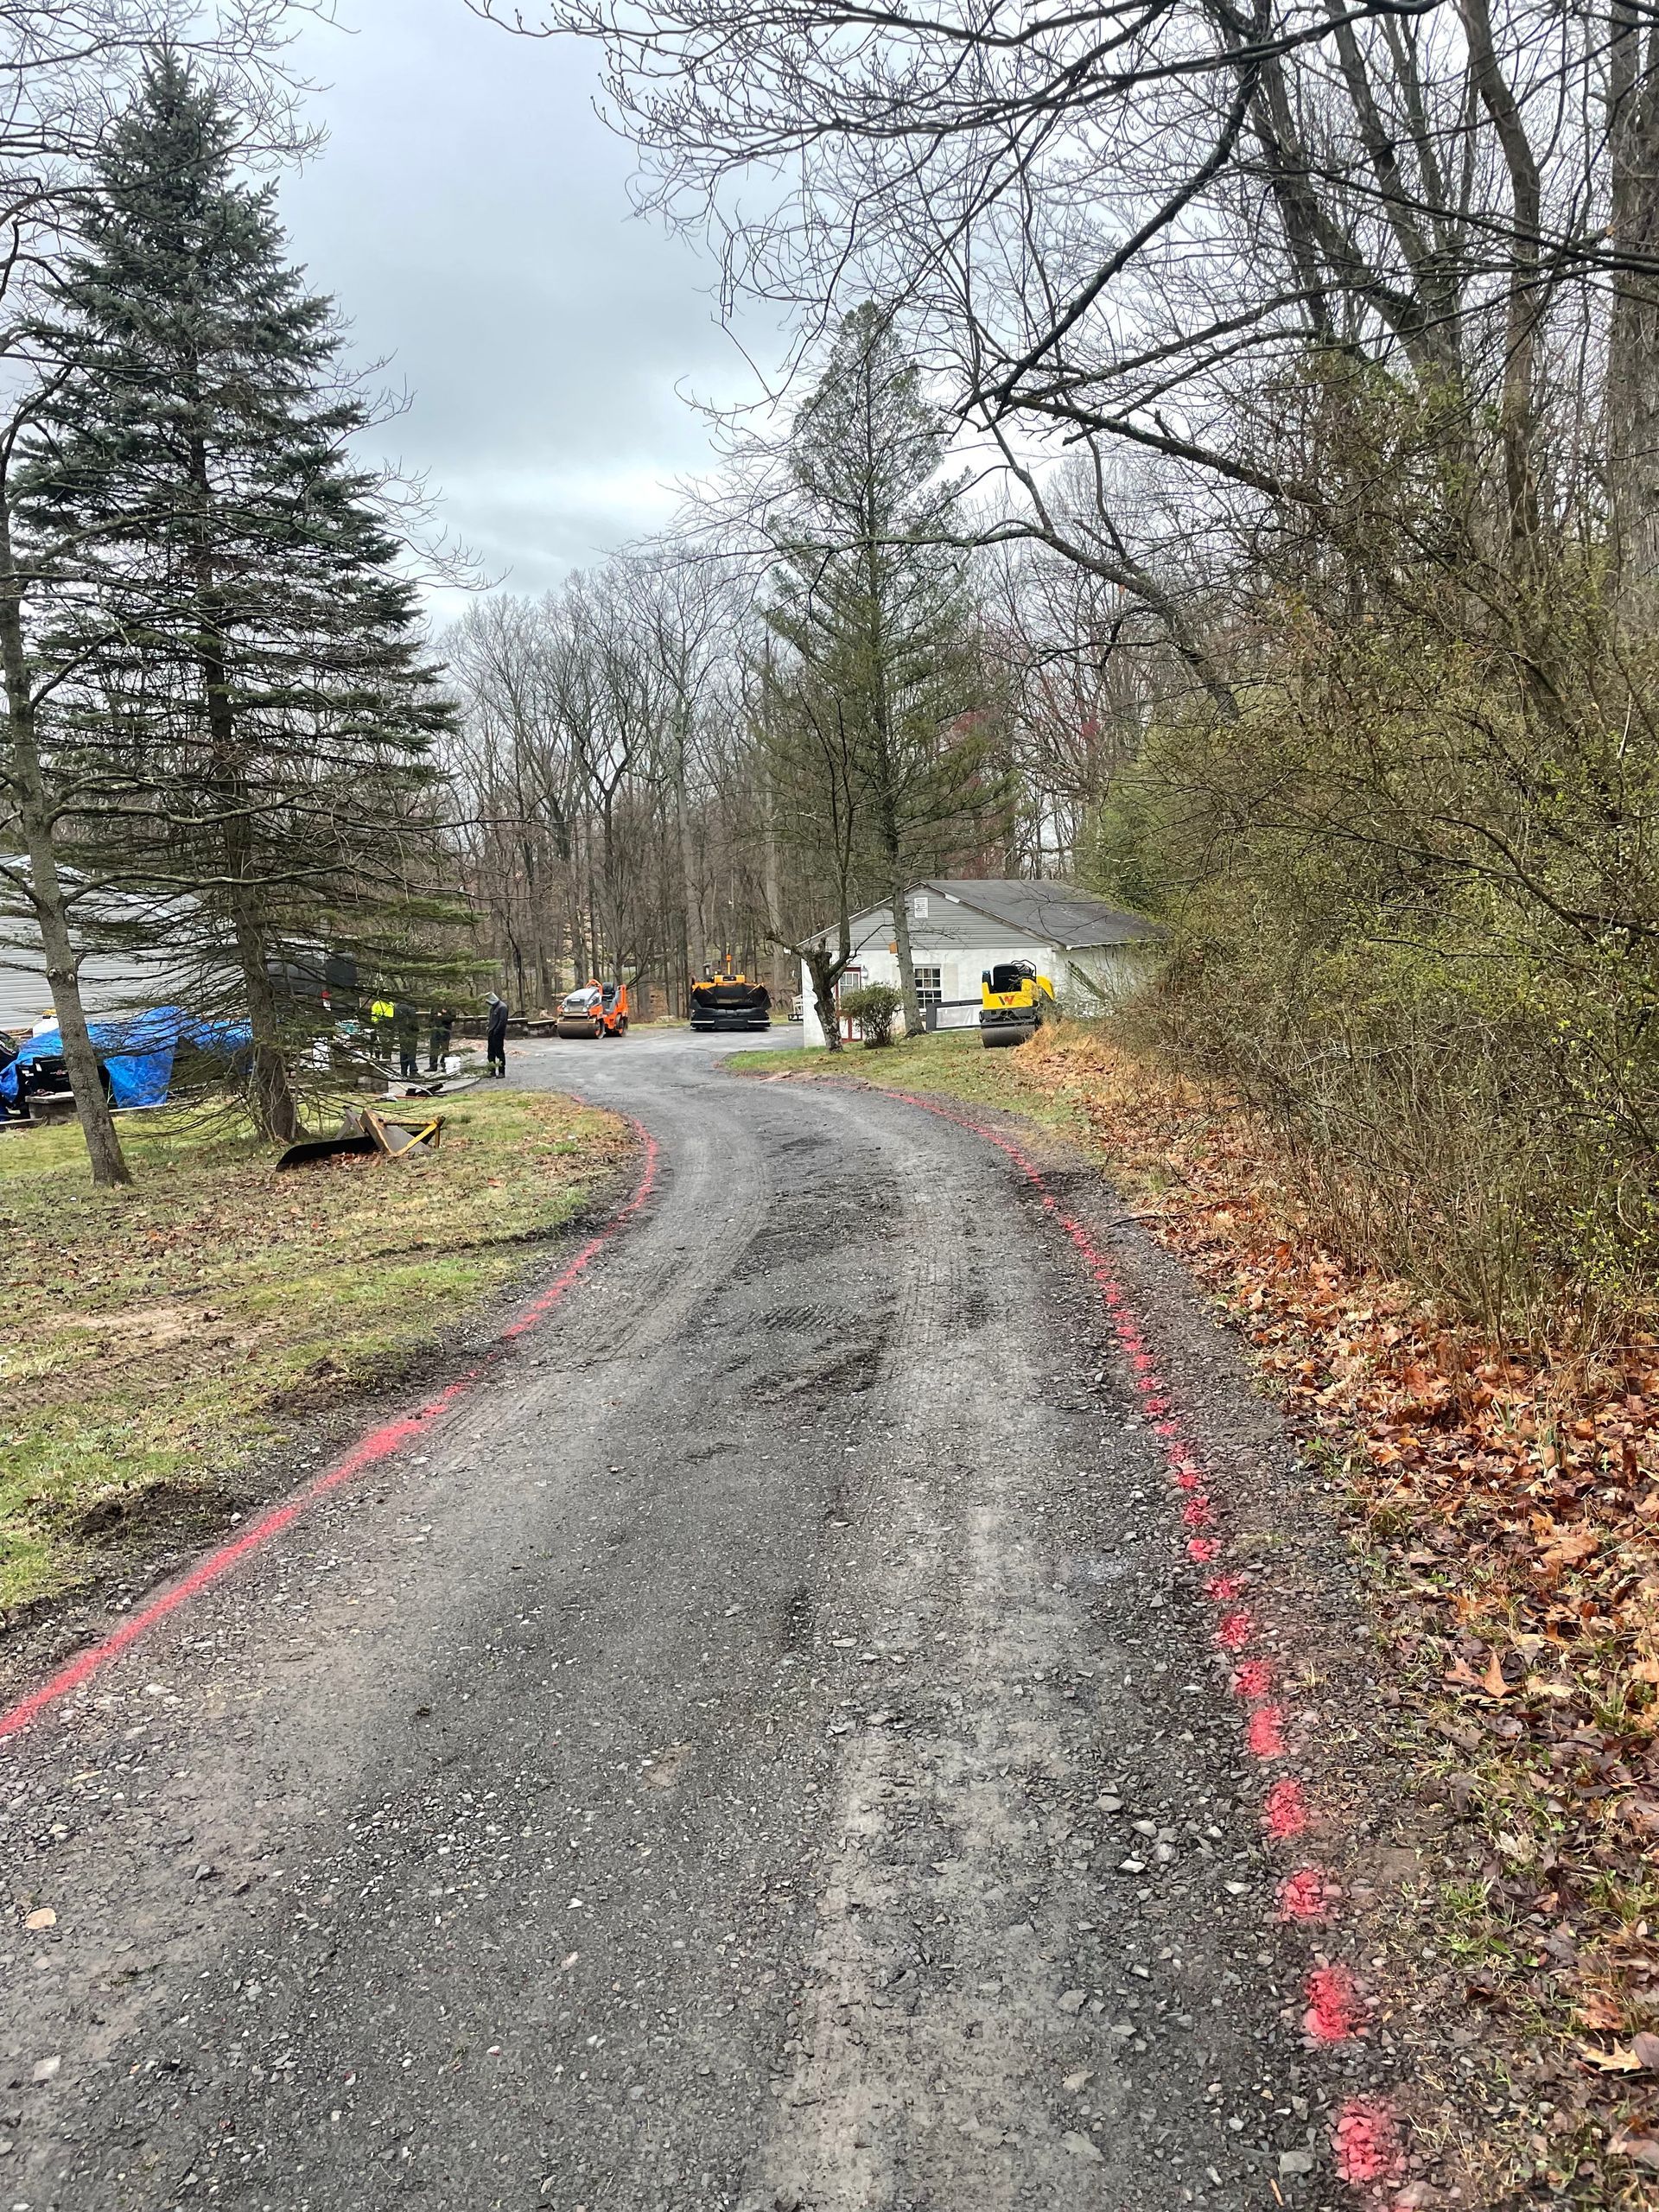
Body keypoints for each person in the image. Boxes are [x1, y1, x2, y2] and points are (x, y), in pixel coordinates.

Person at [486, 991, 509, 1079]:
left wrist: (496, 1030)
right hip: (491, 1033)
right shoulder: (493, 1007)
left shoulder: (502, 1007)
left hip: (498, 1034)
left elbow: (502, 1021)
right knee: (490, 1053)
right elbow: (491, 1019)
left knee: (499, 1053)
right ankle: (492, 1071)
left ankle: (501, 1072)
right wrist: (488, 1027)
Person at [428, 1007, 454, 1072]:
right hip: (435, 1030)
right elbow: (431, 1017)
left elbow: (452, 1018)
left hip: (445, 1030)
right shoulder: (435, 1005)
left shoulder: (450, 1006)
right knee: (433, 1048)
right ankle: (433, 1065)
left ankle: (445, 1064)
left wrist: (442, 1016)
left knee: (445, 1048)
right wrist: (431, 1025)